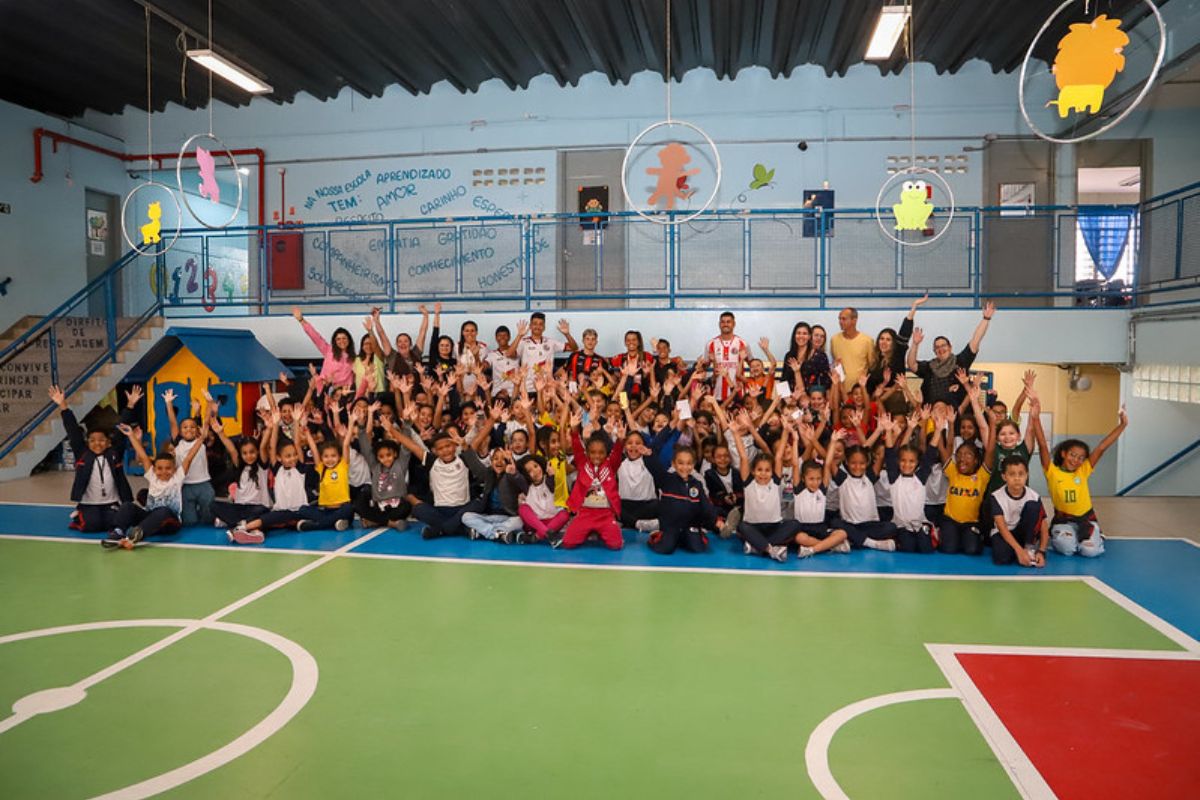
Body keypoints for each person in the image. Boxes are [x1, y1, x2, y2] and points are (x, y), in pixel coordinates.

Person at [1034, 404, 1128, 558]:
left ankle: (1096, 535)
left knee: (1089, 551)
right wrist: (1035, 417)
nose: (1075, 460)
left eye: (1080, 458)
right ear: (1064, 454)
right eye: (1072, 455)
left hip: (1085, 519)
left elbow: (1102, 447)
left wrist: (1122, 425)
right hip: (1063, 522)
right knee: (1067, 549)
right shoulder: (1052, 471)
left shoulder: (1083, 471)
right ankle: (1066, 538)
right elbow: (1043, 444)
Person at [49, 384, 136, 533]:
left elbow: (121, 430)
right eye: (93, 440)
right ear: (87, 442)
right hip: (89, 503)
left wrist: (130, 405)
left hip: (111, 502)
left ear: (108, 442)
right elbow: (73, 430)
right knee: (91, 526)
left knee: (114, 525)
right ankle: (79, 514)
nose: (97, 443)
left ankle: (108, 516)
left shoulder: (114, 453)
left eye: (101, 440)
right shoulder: (82, 453)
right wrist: (63, 405)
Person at [107, 419, 206, 549]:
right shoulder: (152, 476)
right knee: (127, 506)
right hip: (150, 519)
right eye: (159, 468)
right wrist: (131, 435)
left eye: (168, 468)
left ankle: (137, 534)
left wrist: (202, 438)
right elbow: (143, 456)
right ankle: (119, 531)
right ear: (154, 469)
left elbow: (189, 457)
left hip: (170, 522)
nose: (164, 472)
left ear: (174, 469)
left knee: (163, 511)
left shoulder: (177, 478)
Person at [934, 379, 996, 555]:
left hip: (971, 523)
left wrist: (993, 423)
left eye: (968, 455)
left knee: (972, 550)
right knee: (948, 550)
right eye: (960, 455)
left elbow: (990, 450)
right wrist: (940, 428)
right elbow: (943, 449)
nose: (962, 458)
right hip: (950, 520)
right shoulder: (953, 471)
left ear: (976, 460)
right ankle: (945, 533)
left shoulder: (982, 475)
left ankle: (969, 536)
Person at [731, 414, 801, 562]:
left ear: (772, 472)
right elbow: (743, 457)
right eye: (760, 470)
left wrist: (786, 432)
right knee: (742, 527)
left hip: (774, 527)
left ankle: (757, 546)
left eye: (767, 470)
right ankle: (771, 549)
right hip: (753, 526)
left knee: (795, 524)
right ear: (753, 471)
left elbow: (779, 457)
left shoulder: (775, 482)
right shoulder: (749, 482)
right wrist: (735, 433)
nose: (763, 474)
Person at [906, 301, 995, 406]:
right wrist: (915, 344)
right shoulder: (929, 366)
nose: (941, 349)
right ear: (934, 351)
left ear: (950, 347)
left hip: (957, 414)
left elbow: (975, 340)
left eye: (943, 345)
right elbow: (911, 364)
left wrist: (986, 319)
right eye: (937, 347)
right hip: (931, 415)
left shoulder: (961, 361)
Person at [562, 412, 626, 550]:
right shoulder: (582, 463)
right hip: (585, 513)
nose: (597, 455)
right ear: (588, 453)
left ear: (606, 453)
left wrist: (620, 440)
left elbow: (617, 452)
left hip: (605, 515)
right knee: (568, 543)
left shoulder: (611, 466)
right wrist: (574, 429)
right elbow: (577, 448)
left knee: (616, 546)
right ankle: (589, 531)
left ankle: (602, 530)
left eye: (601, 452)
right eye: (593, 452)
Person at [354, 404, 420, 530]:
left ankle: (375, 522)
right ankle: (391, 523)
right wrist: (361, 426)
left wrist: (406, 424)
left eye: (388, 455)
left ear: (395, 454)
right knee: (359, 503)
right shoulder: (375, 466)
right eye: (381, 456)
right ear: (377, 458)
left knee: (407, 506)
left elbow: (406, 447)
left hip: (397, 507)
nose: (385, 459)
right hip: (379, 508)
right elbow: (366, 448)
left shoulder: (400, 464)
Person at [867, 293, 926, 415]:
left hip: (894, 400)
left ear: (894, 343)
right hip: (876, 401)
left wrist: (914, 307)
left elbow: (905, 332)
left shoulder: (897, 355)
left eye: (888, 339)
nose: (884, 342)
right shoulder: (875, 361)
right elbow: (871, 387)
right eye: (882, 339)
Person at [163, 389, 214, 526]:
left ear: (197, 430)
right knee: (189, 521)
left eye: (192, 427)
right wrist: (168, 403)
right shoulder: (178, 443)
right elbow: (173, 422)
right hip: (185, 485)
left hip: (204, 484)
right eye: (185, 427)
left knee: (208, 518)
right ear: (180, 431)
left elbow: (207, 421)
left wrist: (209, 403)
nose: (189, 429)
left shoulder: (201, 440)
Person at [988, 456, 1049, 567]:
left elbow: (1043, 526)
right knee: (1001, 558)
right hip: (1004, 533)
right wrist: (1019, 551)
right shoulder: (996, 497)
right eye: (1012, 474)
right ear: (1004, 477)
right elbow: (1002, 528)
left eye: (1021, 474)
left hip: (1025, 533)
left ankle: (1029, 548)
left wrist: (1042, 552)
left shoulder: (1034, 496)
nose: (1017, 478)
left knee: (1032, 506)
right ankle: (1021, 551)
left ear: (1027, 475)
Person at [507, 312, 579, 394]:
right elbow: (509, 354)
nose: (537, 326)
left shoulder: (550, 342)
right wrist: (519, 336)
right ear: (530, 326)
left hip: (547, 388)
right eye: (535, 324)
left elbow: (574, 348)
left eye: (541, 324)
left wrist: (567, 334)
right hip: (528, 388)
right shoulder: (523, 342)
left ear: (544, 327)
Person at [292, 306, 355, 391]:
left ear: (349, 340)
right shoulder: (329, 351)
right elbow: (315, 336)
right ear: (334, 341)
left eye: (344, 338)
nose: (341, 341)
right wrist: (301, 320)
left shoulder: (354, 358)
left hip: (345, 393)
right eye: (338, 339)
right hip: (325, 391)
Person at [518, 455, 570, 544]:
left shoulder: (549, 481)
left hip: (551, 522)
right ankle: (548, 534)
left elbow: (551, 482)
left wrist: (551, 474)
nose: (535, 471)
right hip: (534, 522)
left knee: (564, 514)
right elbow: (515, 477)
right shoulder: (527, 487)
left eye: (536, 466)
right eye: (530, 471)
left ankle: (536, 537)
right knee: (522, 508)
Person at [703, 311, 748, 402]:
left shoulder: (742, 343)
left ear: (734, 324)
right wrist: (701, 364)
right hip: (716, 393)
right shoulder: (711, 344)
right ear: (719, 324)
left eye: (728, 322)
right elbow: (705, 366)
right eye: (723, 322)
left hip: (737, 393)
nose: (725, 324)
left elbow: (752, 363)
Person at [830, 307, 874, 391]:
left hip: (859, 391)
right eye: (839, 319)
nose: (840, 322)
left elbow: (872, 366)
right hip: (840, 389)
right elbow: (835, 363)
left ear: (854, 320)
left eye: (844, 319)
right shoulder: (834, 340)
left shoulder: (867, 341)